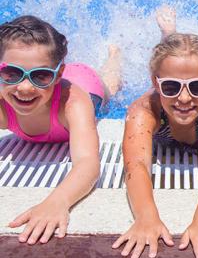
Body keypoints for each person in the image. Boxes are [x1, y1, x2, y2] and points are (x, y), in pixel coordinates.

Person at [112, 8, 198, 258]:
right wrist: (147, 217)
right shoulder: (145, 109)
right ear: (156, 84)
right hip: (167, 92)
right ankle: (161, 39)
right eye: (170, 86)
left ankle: (172, 38)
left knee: (187, 70)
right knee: (120, 86)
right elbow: (136, 165)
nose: (184, 98)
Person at [0, 15, 121, 244]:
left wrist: (58, 201)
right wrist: (42, 76)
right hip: (58, 77)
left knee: (111, 87)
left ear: (57, 75)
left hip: (86, 84)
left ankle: (115, 56)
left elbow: (88, 163)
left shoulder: (73, 104)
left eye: (40, 75)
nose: (25, 87)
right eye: (12, 73)